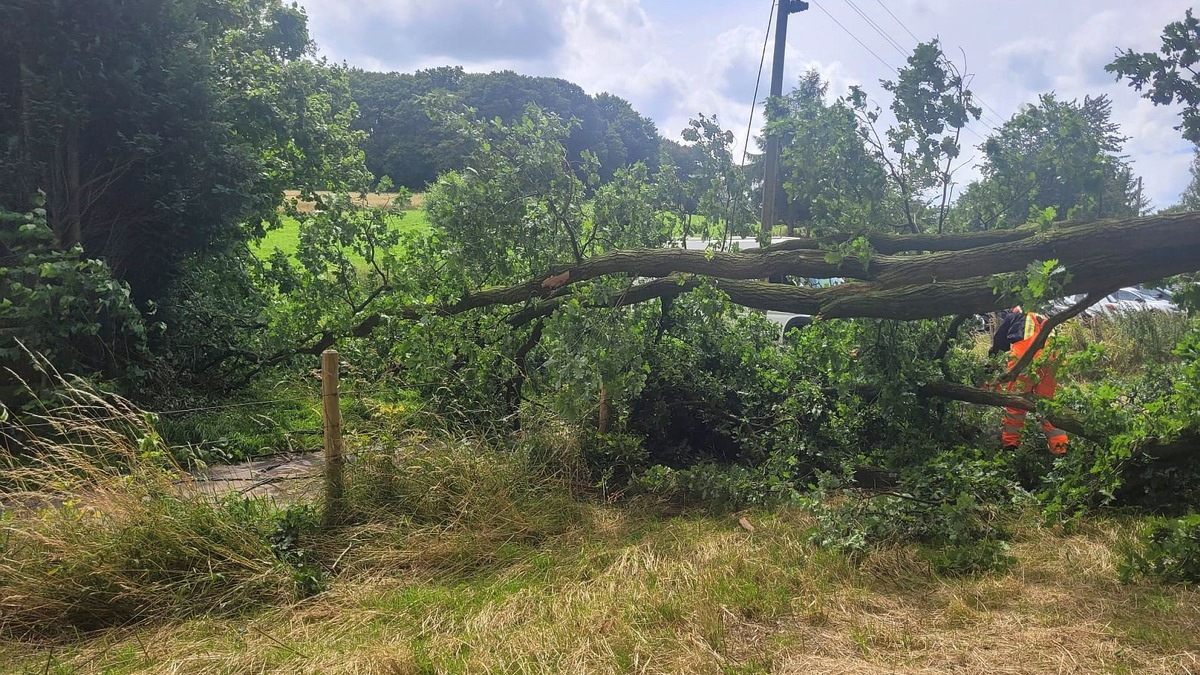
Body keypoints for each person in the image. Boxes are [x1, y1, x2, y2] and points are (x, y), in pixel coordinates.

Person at [988, 306, 1068, 455]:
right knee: (1047, 404)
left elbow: (999, 340)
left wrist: (992, 360)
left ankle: (1010, 446)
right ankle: (1060, 447)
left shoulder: (1016, 315)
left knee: (1015, 403)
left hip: (1023, 358)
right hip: (1051, 359)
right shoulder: (1045, 315)